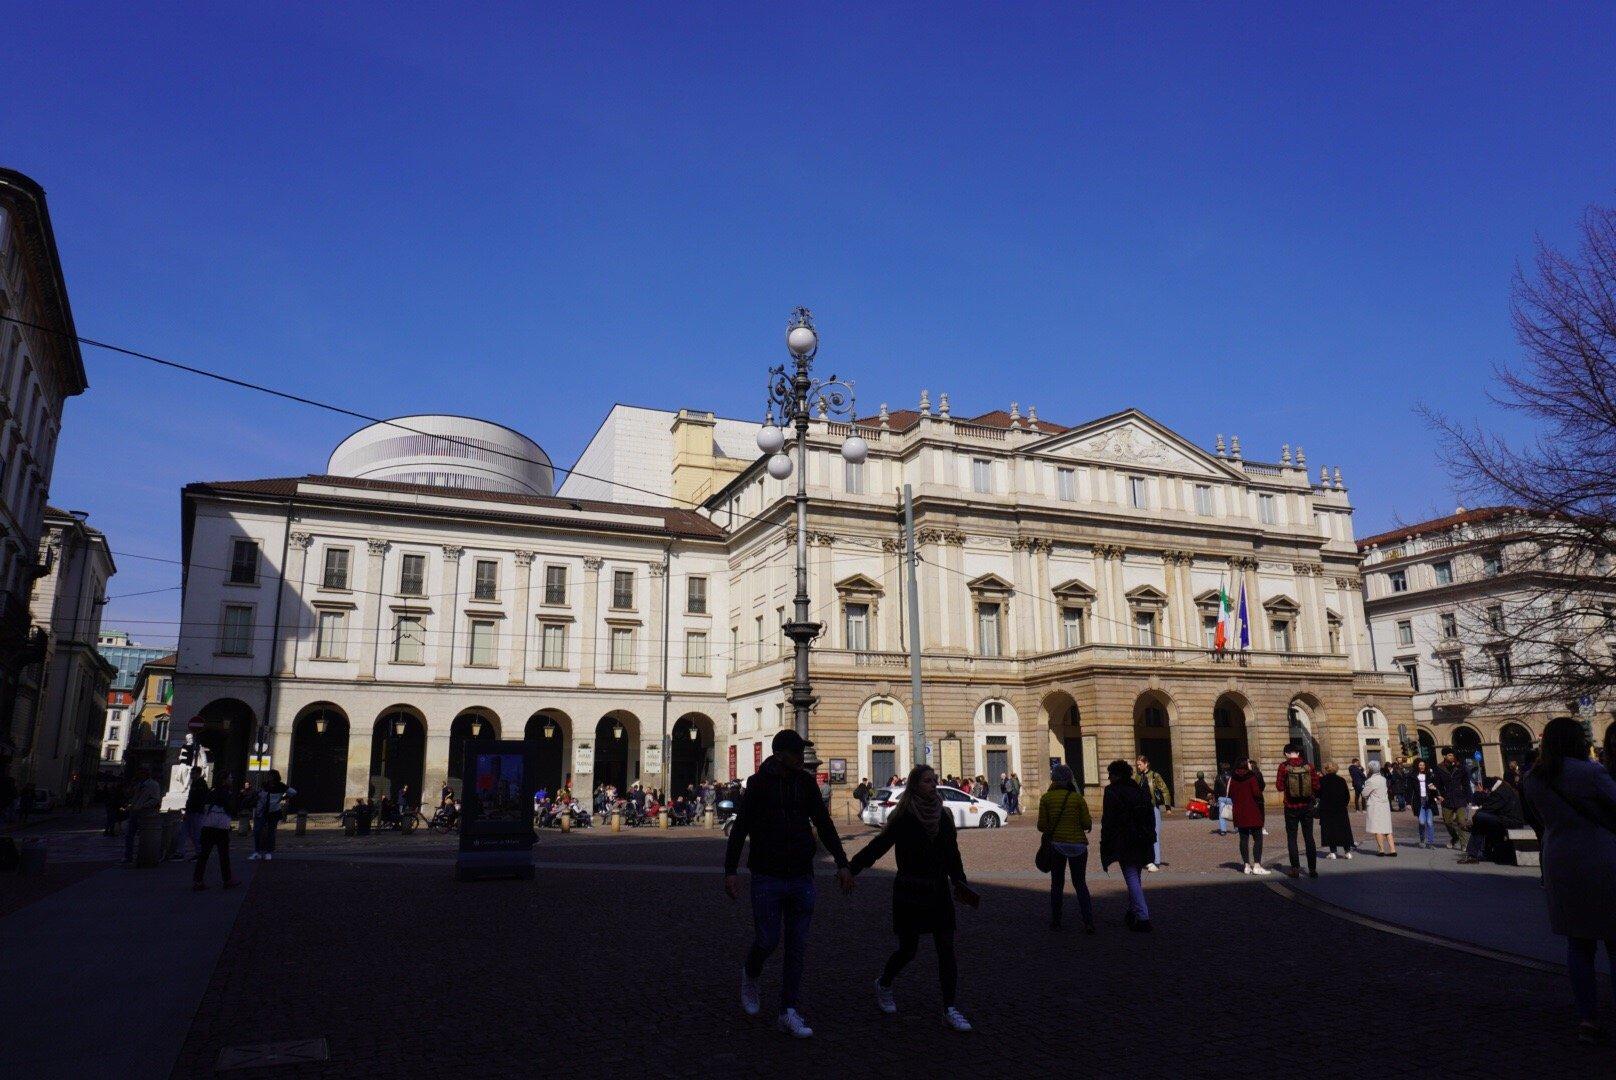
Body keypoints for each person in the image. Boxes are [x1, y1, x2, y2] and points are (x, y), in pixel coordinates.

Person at [723, 729, 853, 1039]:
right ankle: (751, 973)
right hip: (766, 874)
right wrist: (730, 870)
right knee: (767, 940)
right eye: (797, 753)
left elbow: (824, 823)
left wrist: (842, 862)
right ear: (781, 755)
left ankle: (788, 1011)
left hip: (801, 874)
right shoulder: (758, 785)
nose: (802, 758)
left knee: (797, 946)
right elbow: (740, 828)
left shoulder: (805, 783)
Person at [847, 764, 977, 1032]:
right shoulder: (904, 816)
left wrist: (960, 882)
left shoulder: (943, 816)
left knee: (946, 949)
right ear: (916, 785)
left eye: (934, 780)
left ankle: (949, 1008)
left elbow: (952, 854)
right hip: (910, 889)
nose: (932, 784)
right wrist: (852, 869)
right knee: (908, 950)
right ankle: (884, 982)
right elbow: (878, 846)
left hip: (938, 890)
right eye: (927, 781)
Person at [1521, 716, 1616, 1044]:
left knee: (1578, 944)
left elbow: (1535, 817)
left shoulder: (1534, 778)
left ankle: (1588, 1018)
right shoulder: (1590, 773)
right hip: (1600, 855)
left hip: (1559, 858)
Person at [1038, 763, 1094, 932]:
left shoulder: (1046, 799)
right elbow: (1086, 823)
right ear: (1069, 779)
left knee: (1057, 884)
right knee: (1080, 884)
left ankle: (1056, 920)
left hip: (1057, 845)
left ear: (1053, 779)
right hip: (1078, 845)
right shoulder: (1078, 798)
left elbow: (1041, 826)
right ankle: (1088, 922)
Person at [1102, 760, 1156, 930]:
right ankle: (1133, 911)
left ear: (1117, 775)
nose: (1109, 777)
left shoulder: (1112, 792)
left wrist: (1106, 843)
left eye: (1110, 774)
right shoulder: (1138, 789)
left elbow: (1108, 820)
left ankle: (1143, 917)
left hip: (1125, 839)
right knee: (1136, 876)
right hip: (1142, 838)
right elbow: (1149, 815)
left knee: (1131, 876)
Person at [1459, 777, 1525, 865]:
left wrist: (1479, 793)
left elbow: (1487, 807)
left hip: (1511, 822)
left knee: (1480, 817)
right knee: (1481, 820)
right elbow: (1488, 805)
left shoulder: (1501, 792)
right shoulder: (1502, 789)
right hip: (1505, 819)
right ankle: (1475, 854)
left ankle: (1473, 855)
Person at [1276, 745, 1320, 879]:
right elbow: (1317, 786)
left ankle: (1295, 869)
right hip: (1307, 806)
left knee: (1292, 838)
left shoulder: (1283, 766)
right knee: (1309, 838)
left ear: (1286, 754)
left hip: (1290, 807)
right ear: (1298, 752)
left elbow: (1279, 786)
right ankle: (1312, 870)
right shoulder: (1309, 766)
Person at [192, 774, 240, 891]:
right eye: (230, 778)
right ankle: (227, 880)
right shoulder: (224, 792)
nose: (232, 779)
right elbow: (231, 808)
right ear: (224, 781)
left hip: (208, 826)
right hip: (219, 827)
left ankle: (198, 881)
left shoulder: (212, 791)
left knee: (204, 855)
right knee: (223, 855)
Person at [1227, 759, 1269, 875]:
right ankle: (1256, 865)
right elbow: (1257, 793)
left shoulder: (1233, 779)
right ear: (1247, 766)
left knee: (1243, 839)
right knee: (1258, 838)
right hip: (1252, 811)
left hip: (1239, 813)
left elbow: (1230, 794)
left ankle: (1246, 865)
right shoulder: (1251, 777)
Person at [250, 770, 295, 861]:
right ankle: (259, 851)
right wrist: (283, 797)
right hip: (265, 810)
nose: (269, 778)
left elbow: (293, 792)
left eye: (271, 776)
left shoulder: (280, 786)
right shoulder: (267, 785)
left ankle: (267, 852)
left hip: (271, 811)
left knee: (270, 832)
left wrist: (283, 798)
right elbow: (293, 792)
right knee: (258, 831)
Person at [1134, 756, 1169, 871]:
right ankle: (1146, 859)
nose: (1138, 767)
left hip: (1153, 808)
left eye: (1140, 764)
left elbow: (1164, 789)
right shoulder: (1138, 777)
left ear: (1146, 764)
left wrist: (1167, 806)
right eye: (1137, 764)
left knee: (1155, 833)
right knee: (1142, 834)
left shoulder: (1155, 775)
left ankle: (1157, 861)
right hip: (1141, 809)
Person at [123, 766, 161, 864]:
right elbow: (130, 795)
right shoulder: (138, 784)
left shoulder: (153, 784)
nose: (139, 775)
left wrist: (143, 806)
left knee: (144, 835)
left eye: (141, 773)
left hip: (145, 813)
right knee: (129, 835)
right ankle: (128, 856)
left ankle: (143, 855)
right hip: (134, 811)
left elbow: (155, 799)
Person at [1435, 751, 1472, 850]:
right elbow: (1438, 784)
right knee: (1448, 822)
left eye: (1453, 755)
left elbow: (1466, 784)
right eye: (1449, 755)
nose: (1452, 757)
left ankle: (1464, 844)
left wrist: (1469, 798)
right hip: (1447, 799)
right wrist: (1439, 795)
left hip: (1460, 798)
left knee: (1462, 821)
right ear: (1444, 756)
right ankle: (1455, 838)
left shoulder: (1460, 767)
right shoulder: (1439, 768)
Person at [1318, 763, 1354, 860]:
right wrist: (1344, 804)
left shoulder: (1322, 780)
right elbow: (1347, 795)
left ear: (1326, 770)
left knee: (1330, 830)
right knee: (1344, 830)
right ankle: (1347, 851)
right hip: (1340, 809)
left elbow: (1318, 794)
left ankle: (1333, 852)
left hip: (1327, 809)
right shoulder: (1341, 780)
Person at [1362, 761, 1397, 857]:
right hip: (1385, 805)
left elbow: (1364, 793)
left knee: (1377, 828)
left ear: (1371, 769)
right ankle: (1393, 849)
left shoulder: (1370, 780)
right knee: (1387, 828)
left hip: (1375, 806)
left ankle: (1381, 850)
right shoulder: (1383, 779)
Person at [1408, 758, 1439, 848]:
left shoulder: (1430, 775)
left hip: (1429, 801)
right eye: (1420, 765)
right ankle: (1422, 839)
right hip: (1419, 801)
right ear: (1417, 765)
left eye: (1423, 765)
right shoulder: (1412, 776)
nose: (1422, 766)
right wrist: (1408, 803)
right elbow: (1409, 790)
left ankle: (1430, 842)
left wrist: (1436, 793)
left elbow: (1435, 787)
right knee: (1422, 822)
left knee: (1429, 822)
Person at [1213, 763, 1233, 836]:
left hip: (1221, 798)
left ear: (1222, 769)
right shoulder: (1232, 776)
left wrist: (1215, 798)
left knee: (1221, 815)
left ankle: (1223, 830)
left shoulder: (1218, 777)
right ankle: (1237, 828)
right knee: (1235, 812)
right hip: (1231, 797)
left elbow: (1215, 789)